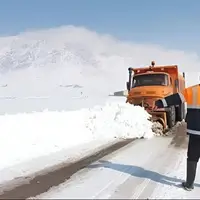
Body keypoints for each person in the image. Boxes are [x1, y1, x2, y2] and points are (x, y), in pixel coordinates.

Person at [154, 84, 200, 191]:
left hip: (195, 131)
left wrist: (160, 103)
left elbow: (175, 98)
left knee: (193, 157)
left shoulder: (193, 91)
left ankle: (189, 184)